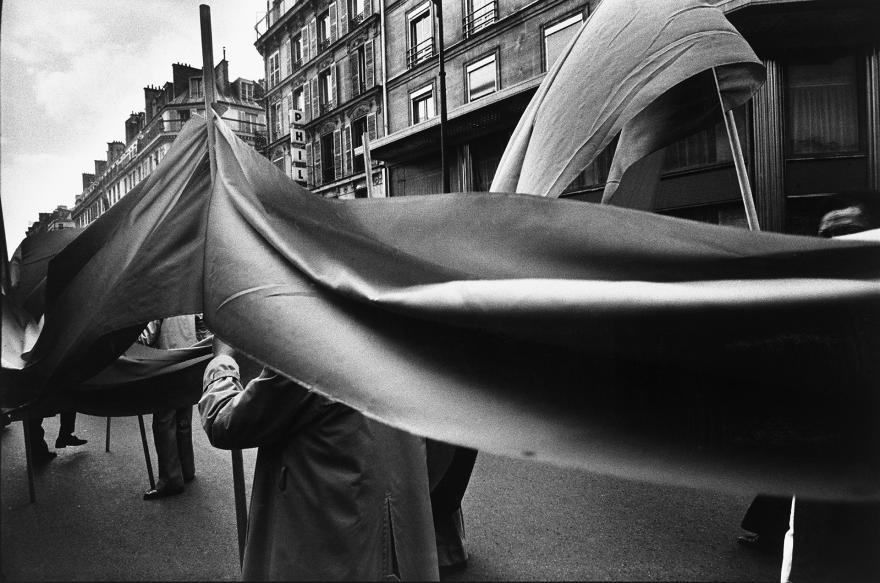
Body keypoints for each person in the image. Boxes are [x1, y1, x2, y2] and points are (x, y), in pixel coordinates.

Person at [199, 339, 439, 580]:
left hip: (329, 552)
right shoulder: (414, 329)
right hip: (399, 543)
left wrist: (223, 360)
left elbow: (225, 423)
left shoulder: (311, 347)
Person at [139, 315, 200, 500]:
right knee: (183, 420)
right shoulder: (188, 297)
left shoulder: (159, 299)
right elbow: (201, 324)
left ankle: (171, 479)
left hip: (167, 363)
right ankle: (186, 469)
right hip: (189, 358)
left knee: (164, 423)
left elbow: (147, 336)